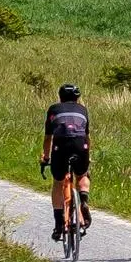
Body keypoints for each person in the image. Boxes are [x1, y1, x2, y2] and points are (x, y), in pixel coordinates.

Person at [41, 84, 93, 242]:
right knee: (82, 174)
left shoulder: (54, 109)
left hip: (61, 145)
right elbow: (86, 135)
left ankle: (58, 223)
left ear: (60, 96)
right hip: (80, 144)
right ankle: (83, 200)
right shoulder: (83, 110)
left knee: (58, 182)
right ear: (77, 97)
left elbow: (48, 137)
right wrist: (87, 155)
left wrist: (45, 157)